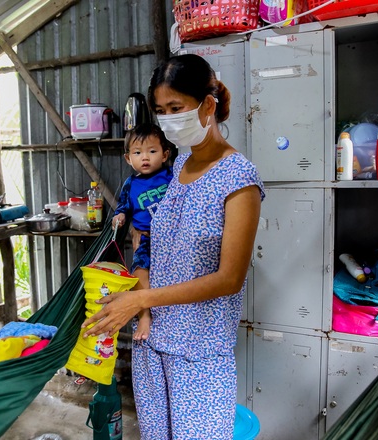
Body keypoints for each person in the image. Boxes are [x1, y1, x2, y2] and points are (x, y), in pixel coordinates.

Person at [82, 54, 265, 439]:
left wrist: (140, 302)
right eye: (161, 110)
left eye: (176, 108)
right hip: (153, 342)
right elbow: (148, 241)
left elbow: (229, 279)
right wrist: (136, 294)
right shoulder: (176, 167)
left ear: (208, 106)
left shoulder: (239, 178)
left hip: (198, 353)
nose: (168, 119)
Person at [113, 123, 174, 340]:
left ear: (165, 155)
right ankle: (144, 315)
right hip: (146, 240)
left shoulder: (172, 176)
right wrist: (119, 216)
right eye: (138, 153)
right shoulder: (130, 184)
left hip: (173, 239)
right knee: (139, 272)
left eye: (152, 151)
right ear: (128, 158)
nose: (145, 157)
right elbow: (123, 207)